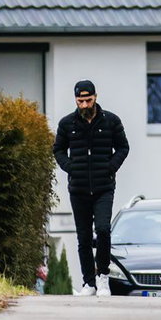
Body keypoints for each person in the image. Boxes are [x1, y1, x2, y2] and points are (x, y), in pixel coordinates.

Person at [53, 80, 130, 296]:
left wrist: (110, 167)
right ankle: (89, 283)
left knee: (103, 230)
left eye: (88, 100)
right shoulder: (67, 123)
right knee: (84, 237)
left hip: (104, 187)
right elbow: (58, 149)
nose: (85, 105)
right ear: (76, 100)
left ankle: (103, 276)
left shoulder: (111, 121)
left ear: (95, 97)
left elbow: (123, 147)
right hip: (78, 188)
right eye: (80, 101)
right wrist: (70, 168)